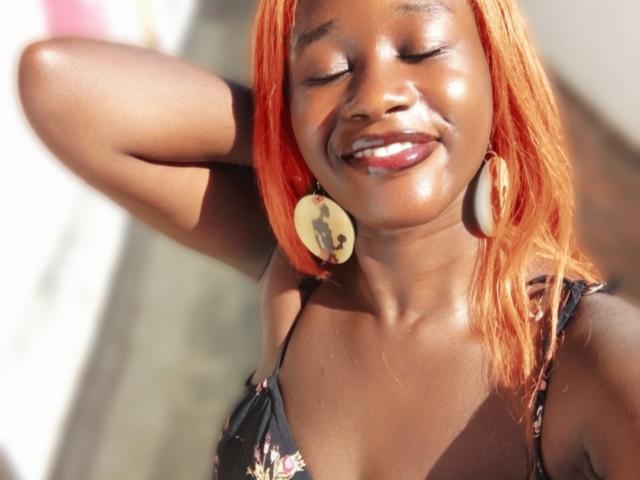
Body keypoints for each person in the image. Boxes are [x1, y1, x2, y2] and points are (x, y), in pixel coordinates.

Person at [17, 0, 640, 478]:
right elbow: (59, 86)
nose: (375, 96)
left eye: (421, 49)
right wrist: (296, 142)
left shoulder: (589, 361)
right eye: (327, 71)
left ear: (495, 71)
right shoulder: (297, 276)